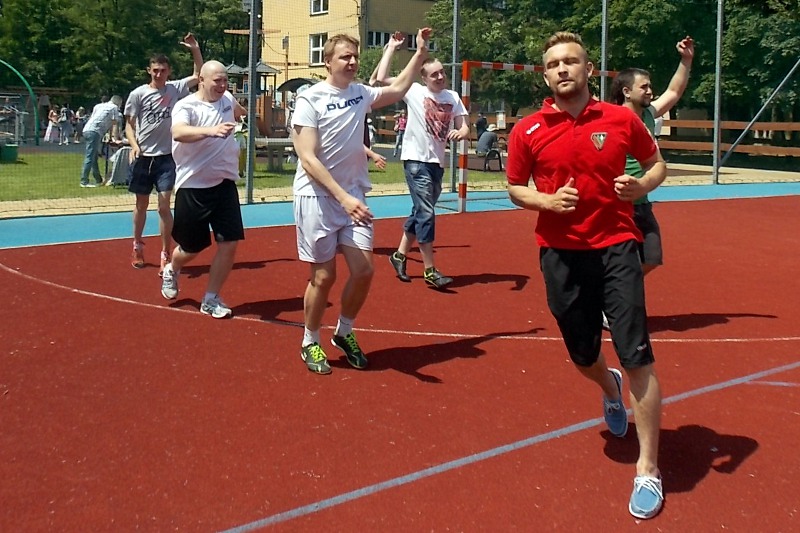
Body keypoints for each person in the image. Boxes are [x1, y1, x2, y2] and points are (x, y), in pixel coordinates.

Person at [505, 32, 667, 519]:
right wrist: (545, 200)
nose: (562, 69)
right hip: (560, 253)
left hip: (617, 246)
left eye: (570, 61)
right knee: (581, 353)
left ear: (588, 69)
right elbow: (514, 187)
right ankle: (608, 388)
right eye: (553, 63)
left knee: (637, 355)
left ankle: (648, 468)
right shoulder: (528, 129)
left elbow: (657, 164)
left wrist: (641, 185)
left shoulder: (621, 119)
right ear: (545, 75)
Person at [291, 28, 432, 375]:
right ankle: (310, 340)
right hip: (318, 197)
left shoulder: (360, 93)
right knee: (323, 277)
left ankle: (344, 332)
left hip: (352, 195)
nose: (353, 62)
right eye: (345, 57)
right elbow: (307, 158)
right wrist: (341, 198)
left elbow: (398, 89)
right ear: (328, 62)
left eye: (355, 57)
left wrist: (419, 53)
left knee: (365, 270)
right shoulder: (309, 99)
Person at [375, 32, 470, 289]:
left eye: (442, 73)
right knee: (427, 212)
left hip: (436, 163)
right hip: (415, 161)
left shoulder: (453, 97)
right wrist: (391, 48)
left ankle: (399, 255)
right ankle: (430, 270)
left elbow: (464, 126)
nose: (440, 77)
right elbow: (382, 78)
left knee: (420, 211)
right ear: (424, 78)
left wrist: (461, 132)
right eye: (434, 74)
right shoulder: (414, 91)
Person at [159, 60, 247, 318]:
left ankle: (211, 298)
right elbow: (178, 132)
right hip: (194, 186)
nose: (222, 85)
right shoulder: (186, 106)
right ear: (201, 80)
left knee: (229, 242)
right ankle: (172, 268)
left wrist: (242, 115)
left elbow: (238, 111)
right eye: (217, 80)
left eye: (225, 80)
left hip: (225, 183)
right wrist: (212, 131)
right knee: (192, 247)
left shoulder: (227, 99)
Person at [610, 36, 695, 279]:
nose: (650, 91)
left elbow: (674, 91)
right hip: (618, 204)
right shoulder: (611, 118)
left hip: (642, 202)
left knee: (651, 257)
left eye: (650, 86)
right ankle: (614, 294)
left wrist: (686, 60)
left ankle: (619, 291)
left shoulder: (648, 114)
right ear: (626, 92)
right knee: (618, 261)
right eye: (644, 87)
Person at [125, 33, 203, 274]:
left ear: (169, 71)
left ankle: (165, 253)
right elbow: (129, 125)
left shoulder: (174, 88)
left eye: (163, 70)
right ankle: (137, 245)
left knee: (163, 205)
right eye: (155, 70)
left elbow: (199, 75)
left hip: (167, 158)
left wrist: (195, 49)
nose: (159, 74)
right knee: (141, 204)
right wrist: (134, 145)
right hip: (143, 157)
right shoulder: (138, 94)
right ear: (149, 71)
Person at [80, 96, 123, 187]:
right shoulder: (114, 108)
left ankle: (98, 179)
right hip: (95, 131)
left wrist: (110, 137)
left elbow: (95, 118)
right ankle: (84, 181)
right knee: (90, 156)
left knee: (93, 156)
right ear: (118, 103)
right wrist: (115, 139)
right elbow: (114, 124)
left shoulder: (99, 106)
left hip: (87, 129)